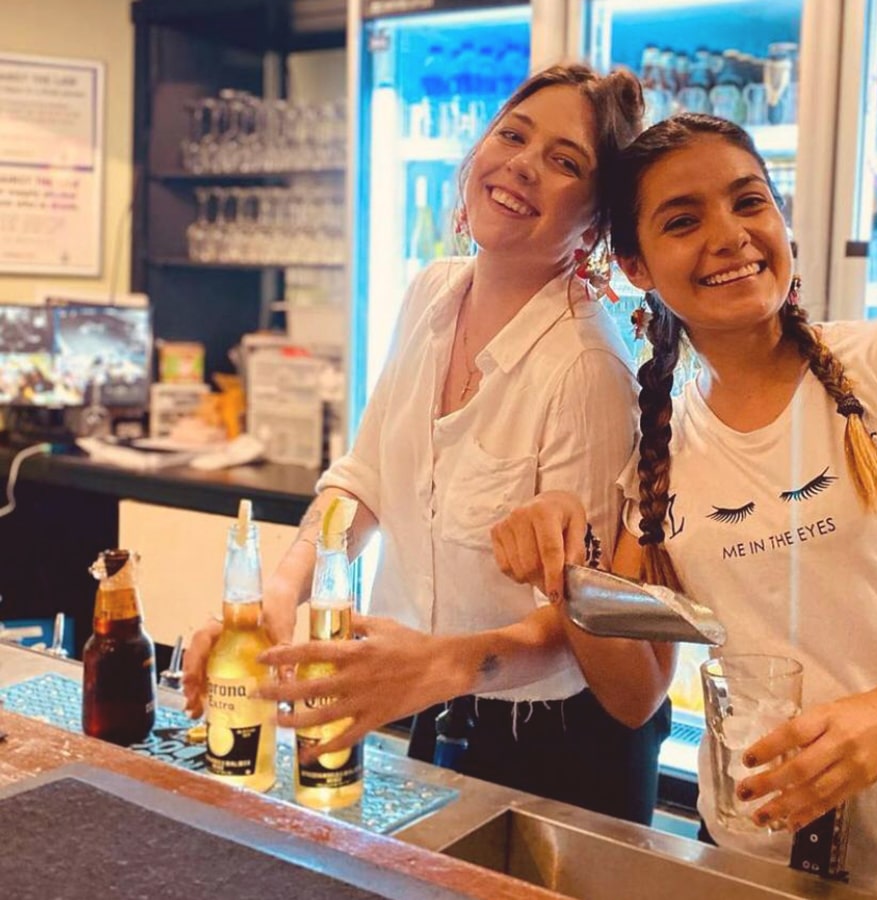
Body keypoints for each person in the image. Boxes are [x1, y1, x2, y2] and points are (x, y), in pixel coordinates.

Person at [490, 113, 877, 898]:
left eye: (749, 202)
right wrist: (568, 572)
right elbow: (634, 695)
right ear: (636, 266)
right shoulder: (659, 457)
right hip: (755, 859)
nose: (729, 236)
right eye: (683, 220)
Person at [182, 63, 671, 826]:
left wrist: (440, 665)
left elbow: (583, 619)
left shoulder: (586, 367)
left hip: (556, 743)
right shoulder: (431, 292)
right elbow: (364, 481)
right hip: (424, 701)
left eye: (564, 161)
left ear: (597, 224)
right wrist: (276, 598)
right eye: (513, 135)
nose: (522, 165)